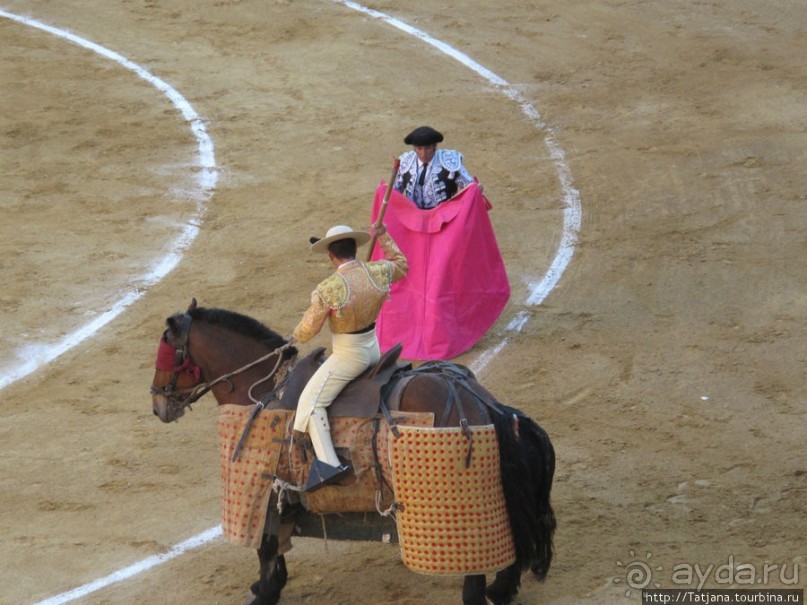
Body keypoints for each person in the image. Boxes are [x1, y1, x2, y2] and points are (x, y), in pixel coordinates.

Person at [290, 223, 408, 491]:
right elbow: (401, 263)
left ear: (331, 256)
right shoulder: (378, 270)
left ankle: (329, 465)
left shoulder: (328, 288)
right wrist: (384, 236)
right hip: (374, 350)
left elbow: (309, 330)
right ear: (355, 248)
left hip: (349, 356)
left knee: (309, 403)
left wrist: (294, 335)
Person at [392, 125, 478, 209]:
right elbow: (393, 194)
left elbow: (469, 187)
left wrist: (475, 188)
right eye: (419, 148)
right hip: (413, 216)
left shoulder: (449, 162)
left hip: (444, 217)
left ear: (435, 146)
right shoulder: (406, 162)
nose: (423, 153)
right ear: (414, 148)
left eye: (428, 148)